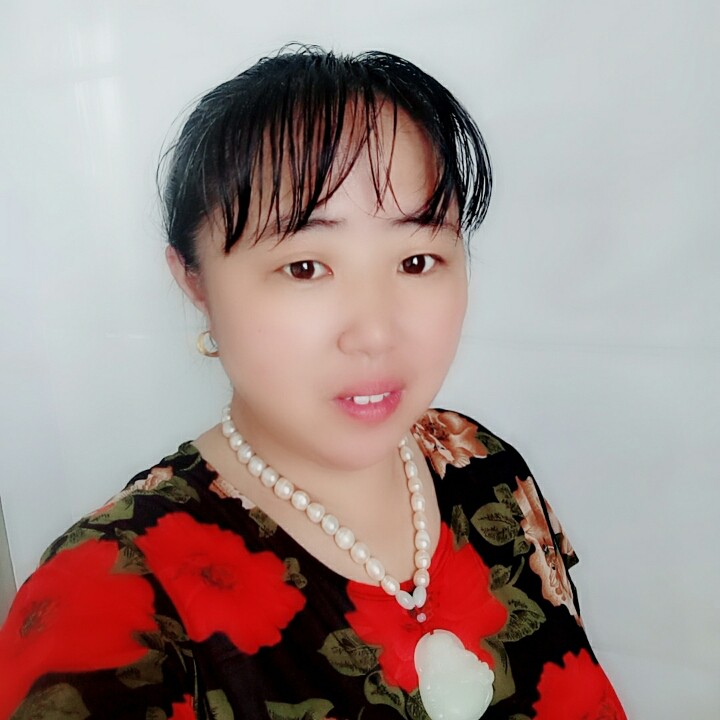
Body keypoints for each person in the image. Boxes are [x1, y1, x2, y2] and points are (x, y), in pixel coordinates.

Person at [0, 46, 626, 719]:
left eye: (418, 260)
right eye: (305, 268)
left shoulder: (483, 468)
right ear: (195, 282)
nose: (375, 333)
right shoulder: (109, 595)